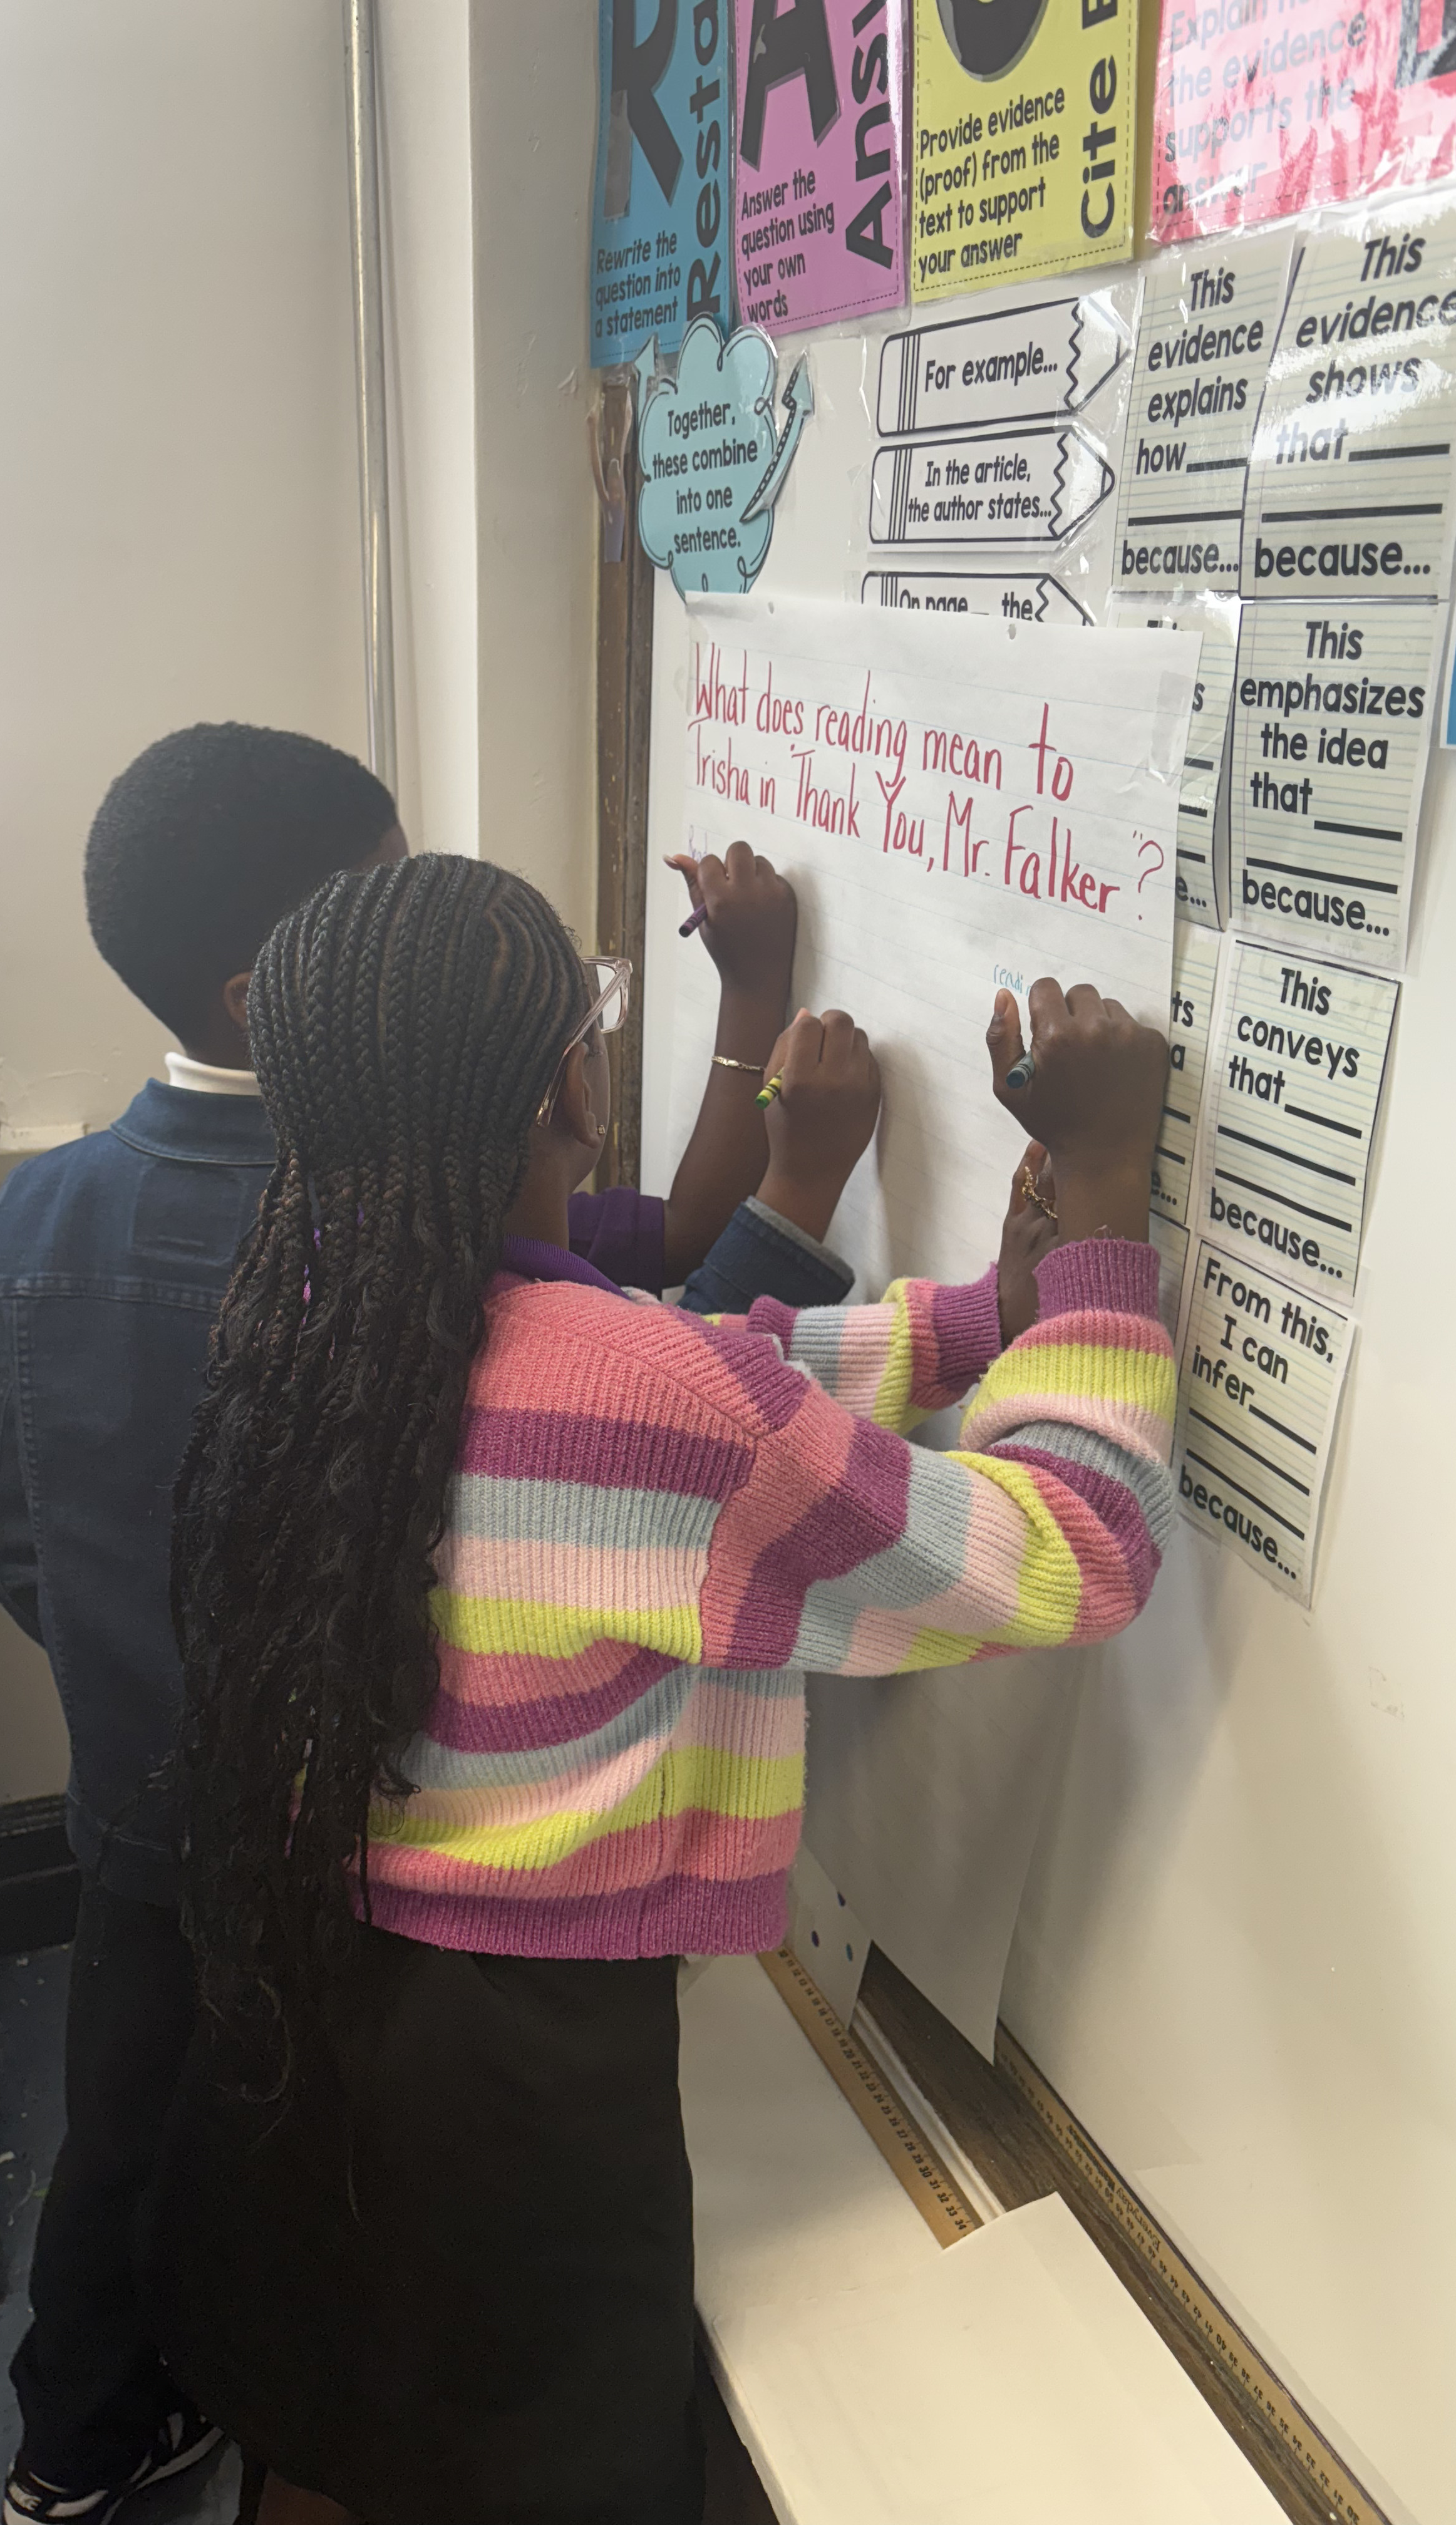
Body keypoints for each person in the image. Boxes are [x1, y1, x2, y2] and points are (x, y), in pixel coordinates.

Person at [148, 852, 1177, 2525]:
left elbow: (719, 1370)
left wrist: (1003, 1312)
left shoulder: (326, 1305)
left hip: (329, 1984)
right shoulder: (637, 1401)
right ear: (578, 1080)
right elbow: (1073, 1552)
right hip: (517, 2081)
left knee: (359, 2407)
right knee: (537, 2456)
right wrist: (1113, 1216)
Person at [0, 721, 852, 2520]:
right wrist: (776, 1089)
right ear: (269, 992)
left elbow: (15, 1537)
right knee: (296, 2158)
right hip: (371, 1836)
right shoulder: (380, 1239)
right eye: (382, 918)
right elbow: (658, 1309)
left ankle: (81, 2445)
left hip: (153, 1814)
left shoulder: (52, 1204)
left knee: (147, 2134)